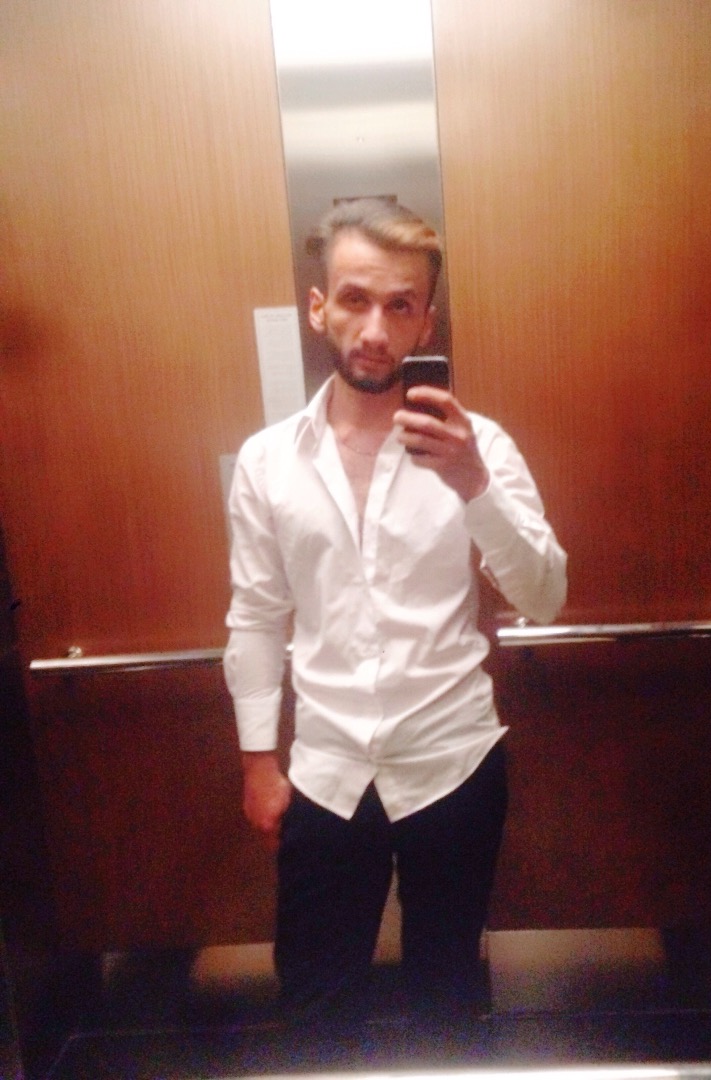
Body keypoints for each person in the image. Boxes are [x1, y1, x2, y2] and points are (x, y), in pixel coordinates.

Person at [224, 197, 567, 1050]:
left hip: (454, 762)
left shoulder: (481, 446)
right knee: (314, 1004)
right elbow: (257, 615)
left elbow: (545, 595)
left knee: (448, 1002)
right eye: (354, 299)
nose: (375, 330)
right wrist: (258, 760)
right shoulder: (268, 462)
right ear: (319, 308)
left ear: (425, 323)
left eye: (399, 305)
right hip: (327, 771)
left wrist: (474, 485)